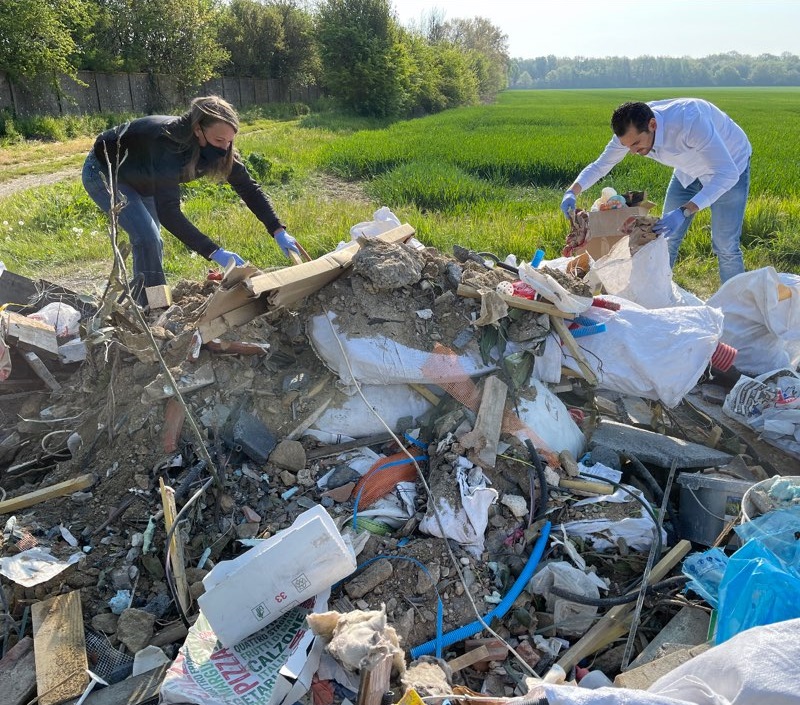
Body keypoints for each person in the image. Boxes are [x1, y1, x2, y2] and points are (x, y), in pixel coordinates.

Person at [82, 95, 300, 302]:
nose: (225, 148)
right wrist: (215, 252)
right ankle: (154, 306)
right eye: (219, 140)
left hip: (144, 178)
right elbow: (169, 211)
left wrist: (277, 230)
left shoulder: (218, 149)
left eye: (230, 141)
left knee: (150, 244)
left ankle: (140, 301)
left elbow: (248, 187)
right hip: (106, 172)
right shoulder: (167, 144)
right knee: (148, 238)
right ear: (198, 129)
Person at [560, 98, 752, 283]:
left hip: (730, 167)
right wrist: (572, 191)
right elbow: (601, 165)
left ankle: (736, 308)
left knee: (725, 244)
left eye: (636, 144)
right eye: (628, 146)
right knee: (665, 237)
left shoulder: (690, 121)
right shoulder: (630, 132)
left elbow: (726, 173)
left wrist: (684, 211)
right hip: (688, 171)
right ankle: (659, 296)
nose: (633, 152)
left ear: (652, 125)